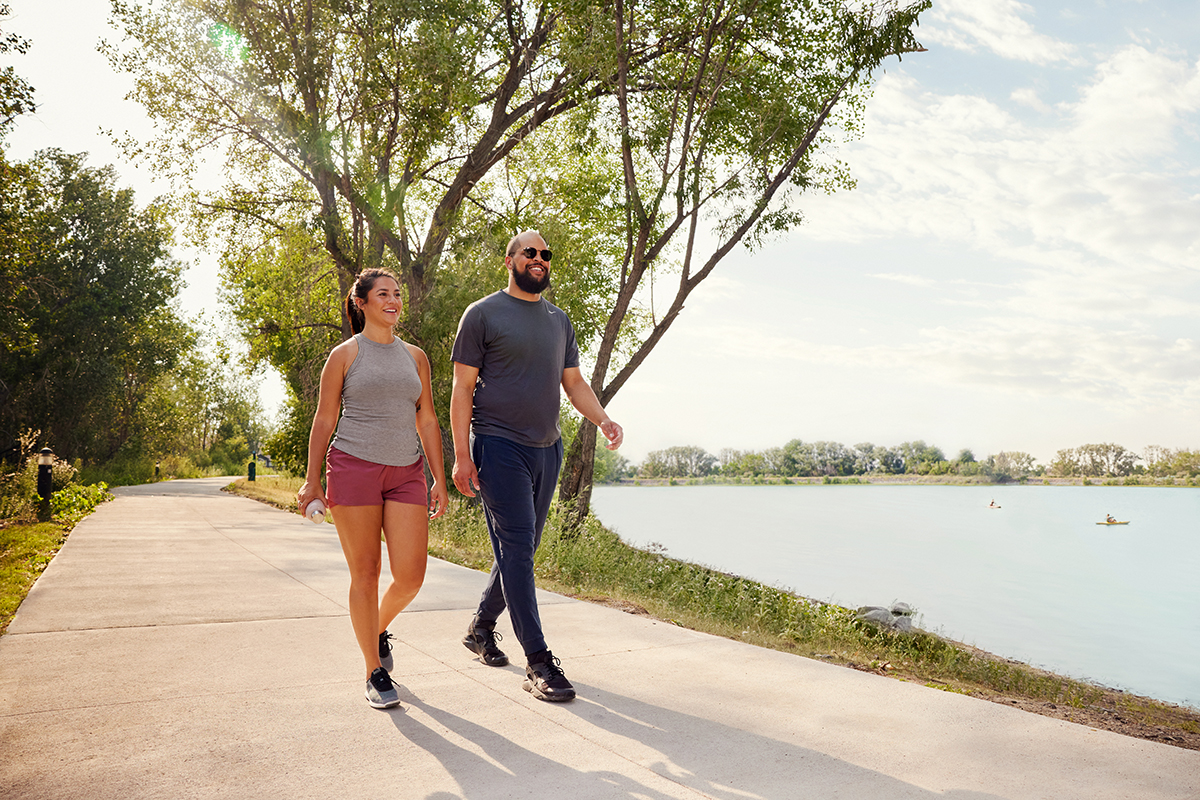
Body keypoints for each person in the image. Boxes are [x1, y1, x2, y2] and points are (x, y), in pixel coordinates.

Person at [450, 230, 623, 702]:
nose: (540, 259)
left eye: (546, 254)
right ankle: (540, 663)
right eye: (531, 252)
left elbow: (574, 383)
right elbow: (462, 388)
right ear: (509, 260)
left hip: (547, 448)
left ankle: (481, 628)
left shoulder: (559, 321)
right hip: (497, 445)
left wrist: (603, 417)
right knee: (519, 553)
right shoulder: (482, 314)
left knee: (517, 551)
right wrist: (462, 456)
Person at [297, 268, 449, 710]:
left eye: (397, 294)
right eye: (383, 294)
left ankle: (375, 628)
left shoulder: (416, 357)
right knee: (365, 573)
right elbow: (324, 419)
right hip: (353, 468)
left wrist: (439, 476)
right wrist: (312, 480)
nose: (394, 300)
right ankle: (373, 670)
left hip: (406, 471)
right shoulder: (345, 355)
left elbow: (427, 419)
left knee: (410, 577)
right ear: (360, 302)